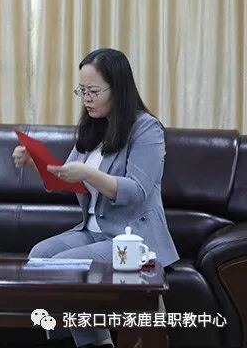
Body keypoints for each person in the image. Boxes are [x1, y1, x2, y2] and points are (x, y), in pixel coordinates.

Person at [12, 48, 179, 348]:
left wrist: (88, 173)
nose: (86, 99)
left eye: (93, 91)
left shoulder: (146, 129)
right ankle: (82, 341)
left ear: (118, 89)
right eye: (82, 91)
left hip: (134, 240)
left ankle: (98, 342)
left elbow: (136, 190)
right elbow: (68, 179)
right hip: (93, 233)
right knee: (40, 256)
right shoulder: (93, 128)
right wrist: (36, 163)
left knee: (65, 265)